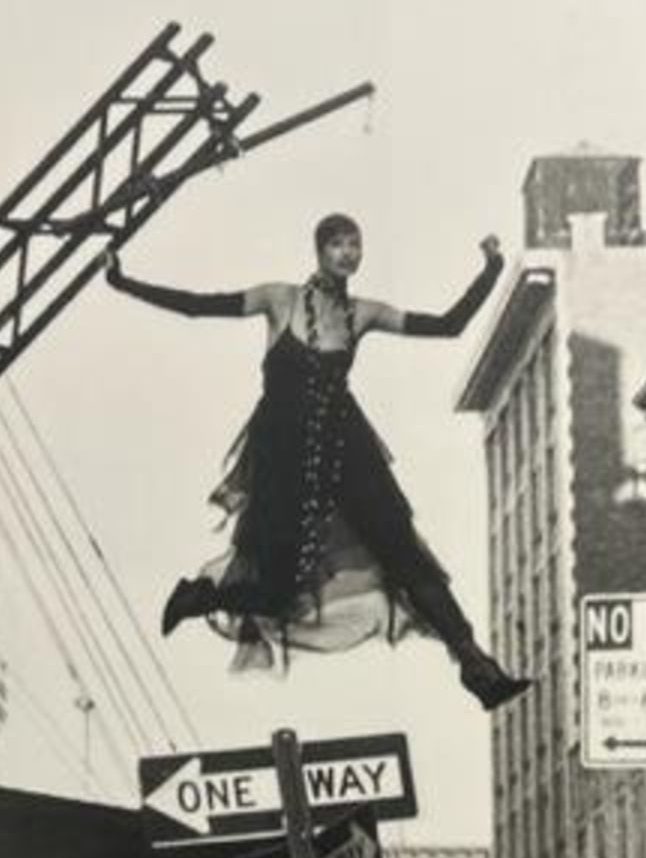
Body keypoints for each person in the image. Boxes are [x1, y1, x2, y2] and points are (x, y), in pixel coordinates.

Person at [105, 215, 530, 709]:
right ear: (319, 250)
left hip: (348, 450)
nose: (349, 253)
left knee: (406, 556)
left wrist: (492, 269)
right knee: (278, 592)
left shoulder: (364, 313)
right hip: (283, 453)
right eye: (338, 244)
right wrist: (122, 280)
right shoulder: (278, 299)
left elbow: (447, 325)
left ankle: (477, 667)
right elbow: (199, 307)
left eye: (356, 244)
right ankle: (203, 596)